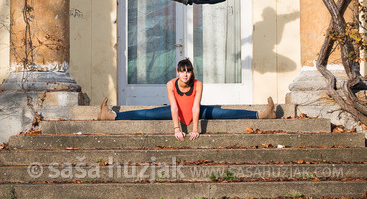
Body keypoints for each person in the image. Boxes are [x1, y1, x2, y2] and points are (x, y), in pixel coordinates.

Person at [97, 58, 276, 140]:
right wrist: (177, 129)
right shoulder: (170, 84)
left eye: (188, 71)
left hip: (194, 112)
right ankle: (110, 116)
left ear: (191, 72)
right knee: (146, 113)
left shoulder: (198, 84)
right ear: (178, 72)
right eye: (182, 71)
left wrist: (194, 129)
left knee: (223, 112)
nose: (185, 74)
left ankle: (262, 115)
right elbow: (174, 108)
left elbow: (196, 107)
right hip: (175, 113)